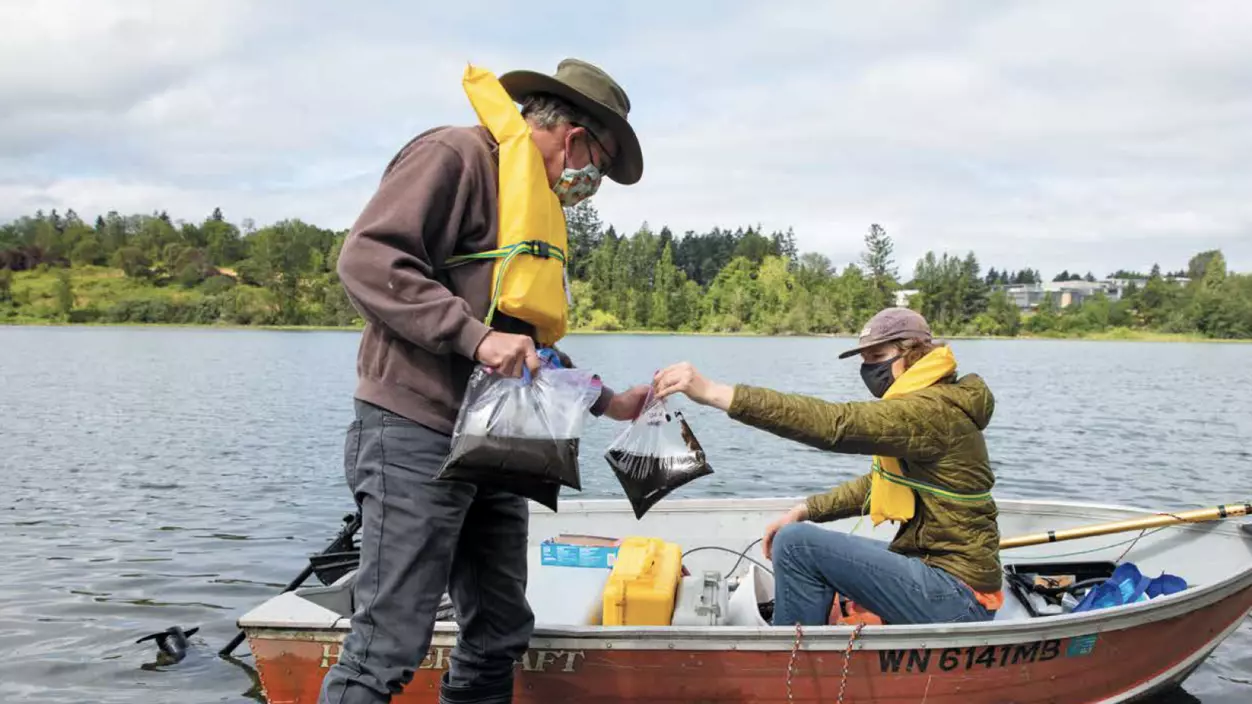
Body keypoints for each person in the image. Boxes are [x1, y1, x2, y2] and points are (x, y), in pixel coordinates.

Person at [320, 59, 650, 704]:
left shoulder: (534, 206)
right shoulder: (457, 155)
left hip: (496, 440)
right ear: (575, 136)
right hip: (415, 429)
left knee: (500, 629)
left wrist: (610, 402)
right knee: (388, 642)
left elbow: (522, 339)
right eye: (601, 166)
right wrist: (474, 336)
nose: (593, 183)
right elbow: (368, 258)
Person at [652, 307, 1004, 627]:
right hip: (940, 575)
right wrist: (806, 510)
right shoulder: (936, 403)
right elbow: (879, 483)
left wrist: (714, 393)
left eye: (879, 357)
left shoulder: (930, 411)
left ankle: (789, 664)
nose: (871, 370)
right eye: (865, 360)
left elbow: (835, 425)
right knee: (802, 538)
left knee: (796, 545)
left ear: (913, 353)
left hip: (957, 596)